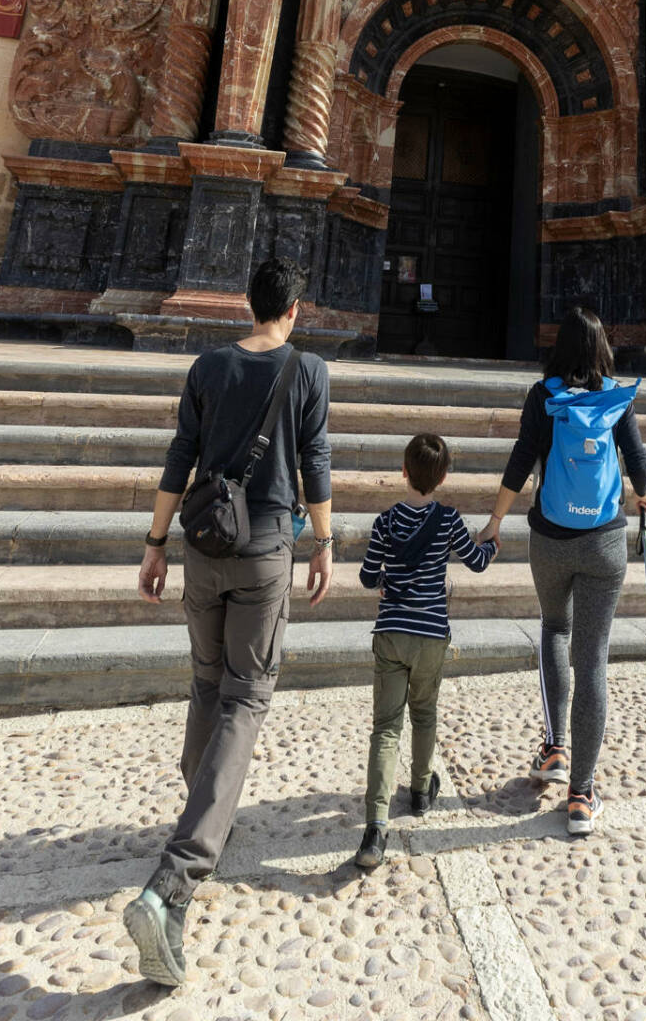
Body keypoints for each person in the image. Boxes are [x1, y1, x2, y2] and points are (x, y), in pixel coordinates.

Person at [122, 257, 333, 988]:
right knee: (246, 698)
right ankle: (172, 884)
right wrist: (327, 543)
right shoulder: (308, 371)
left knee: (208, 685)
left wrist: (153, 545)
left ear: (249, 305)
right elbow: (316, 463)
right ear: (295, 309)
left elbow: (179, 457)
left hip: (202, 547)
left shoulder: (208, 366)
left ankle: (204, 805)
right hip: (266, 551)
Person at [477, 306, 646, 837]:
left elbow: (520, 456)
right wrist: (644, 495)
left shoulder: (543, 394)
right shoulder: (616, 396)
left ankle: (553, 750)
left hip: (550, 539)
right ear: (602, 348)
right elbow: (639, 464)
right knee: (592, 659)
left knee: (555, 627)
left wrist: (495, 521)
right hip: (603, 544)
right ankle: (581, 794)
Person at [354, 431, 498, 871]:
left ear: (403, 470)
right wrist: (492, 543)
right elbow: (475, 561)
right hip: (432, 633)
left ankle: (376, 827)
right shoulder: (450, 520)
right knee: (425, 713)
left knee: (385, 728)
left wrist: (384, 583)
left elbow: (365, 577)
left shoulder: (385, 522)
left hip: (393, 631)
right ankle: (420, 790)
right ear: (443, 477)